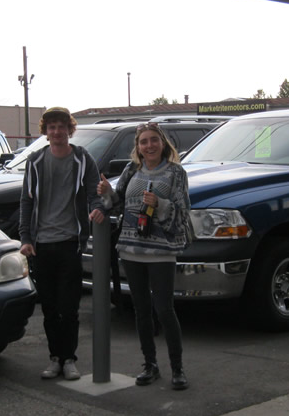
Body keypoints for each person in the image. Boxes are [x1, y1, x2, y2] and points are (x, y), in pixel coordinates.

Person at [91, 122, 192, 390]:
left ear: (163, 143)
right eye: (144, 142)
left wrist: (159, 204)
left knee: (164, 310)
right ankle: (150, 365)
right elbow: (119, 201)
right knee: (141, 310)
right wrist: (107, 194)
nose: (149, 146)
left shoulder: (175, 173)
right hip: (131, 248)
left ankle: (178, 368)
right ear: (138, 147)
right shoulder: (131, 169)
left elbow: (183, 212)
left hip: (161, 252)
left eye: (153, 140)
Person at [19, 107, 100, 380]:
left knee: (70, 308)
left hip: (70, 243)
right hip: (42, 244)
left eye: (61, 126)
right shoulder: (35, 161)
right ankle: (55, 358)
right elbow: (27, 201)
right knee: (50, 309)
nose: (56, 132)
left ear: (69, 129)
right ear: (46, 131)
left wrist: (97, 208)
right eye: (51, 127)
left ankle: (69, 360)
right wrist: (25, 238)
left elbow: (94, 192)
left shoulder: (82, 159)